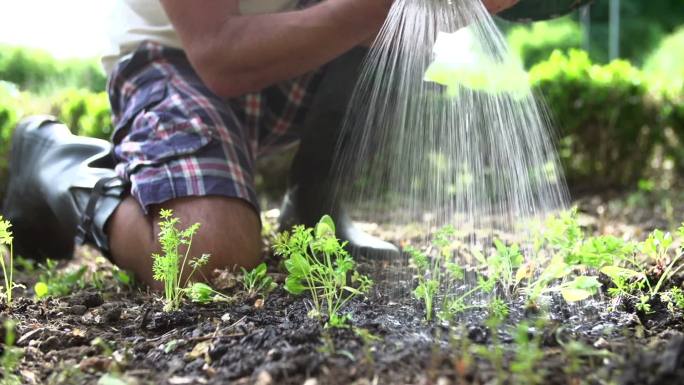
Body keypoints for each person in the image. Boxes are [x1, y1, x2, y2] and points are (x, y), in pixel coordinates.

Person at [3, 0, 578, 288]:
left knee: (403, 38)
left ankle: (315, 205)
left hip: (295, 46)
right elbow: (221, 53)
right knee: (208, 256)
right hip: (178, 60)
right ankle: (57, 163)